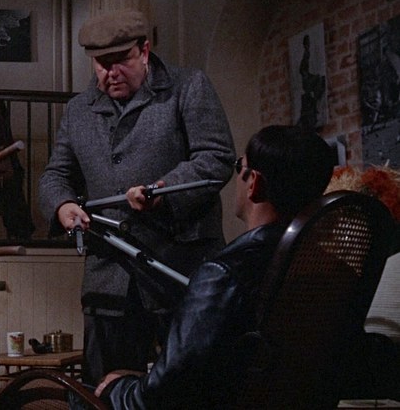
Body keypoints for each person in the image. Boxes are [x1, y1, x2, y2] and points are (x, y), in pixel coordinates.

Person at [38, 9, 235, 386]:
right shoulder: (78, 110)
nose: (110, 72)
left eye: (120, 60)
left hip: (178, 269)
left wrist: (162, 191)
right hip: (109, 277)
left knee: (193, 388)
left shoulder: (188, 86)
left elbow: (215, 157)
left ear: (144, 51)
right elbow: (55, 175)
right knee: (104, 390)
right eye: (101, 63)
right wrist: (63, 205)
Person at [93, 124, 337, 409]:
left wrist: (116, 388)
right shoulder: (328, 269)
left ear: (254, 183)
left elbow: (164, 395)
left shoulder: (223, 274)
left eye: (239, 166)